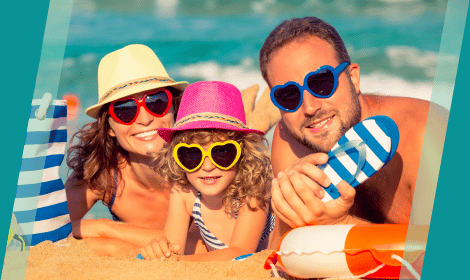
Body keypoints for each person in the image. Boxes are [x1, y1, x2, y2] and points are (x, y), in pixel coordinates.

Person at [65, 44, 278, 256]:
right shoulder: (101, 176)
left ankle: (250, 127)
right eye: (125, 110)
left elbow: (207, 247)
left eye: (156, 102)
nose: (145, 119)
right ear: (109, 126)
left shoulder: (198, 171)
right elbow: (44, 230)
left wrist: (107, 228)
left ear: (175, 108)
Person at [259, 17, 448, 235]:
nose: (309, 107)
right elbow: (286, 244)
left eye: (321, 82)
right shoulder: (292, 139)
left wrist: (342, 225)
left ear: (353, 77)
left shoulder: (428, 134)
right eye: (288, 96)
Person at [140, 81, 275, 261]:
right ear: (176, 156)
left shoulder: (254, 188)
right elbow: (173, 249)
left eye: (221, 152)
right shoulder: (183, 191)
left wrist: (177, 262)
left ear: (243, 153)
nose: (208, 166)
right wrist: (159, 251)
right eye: (191, 154)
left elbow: (241, 252)